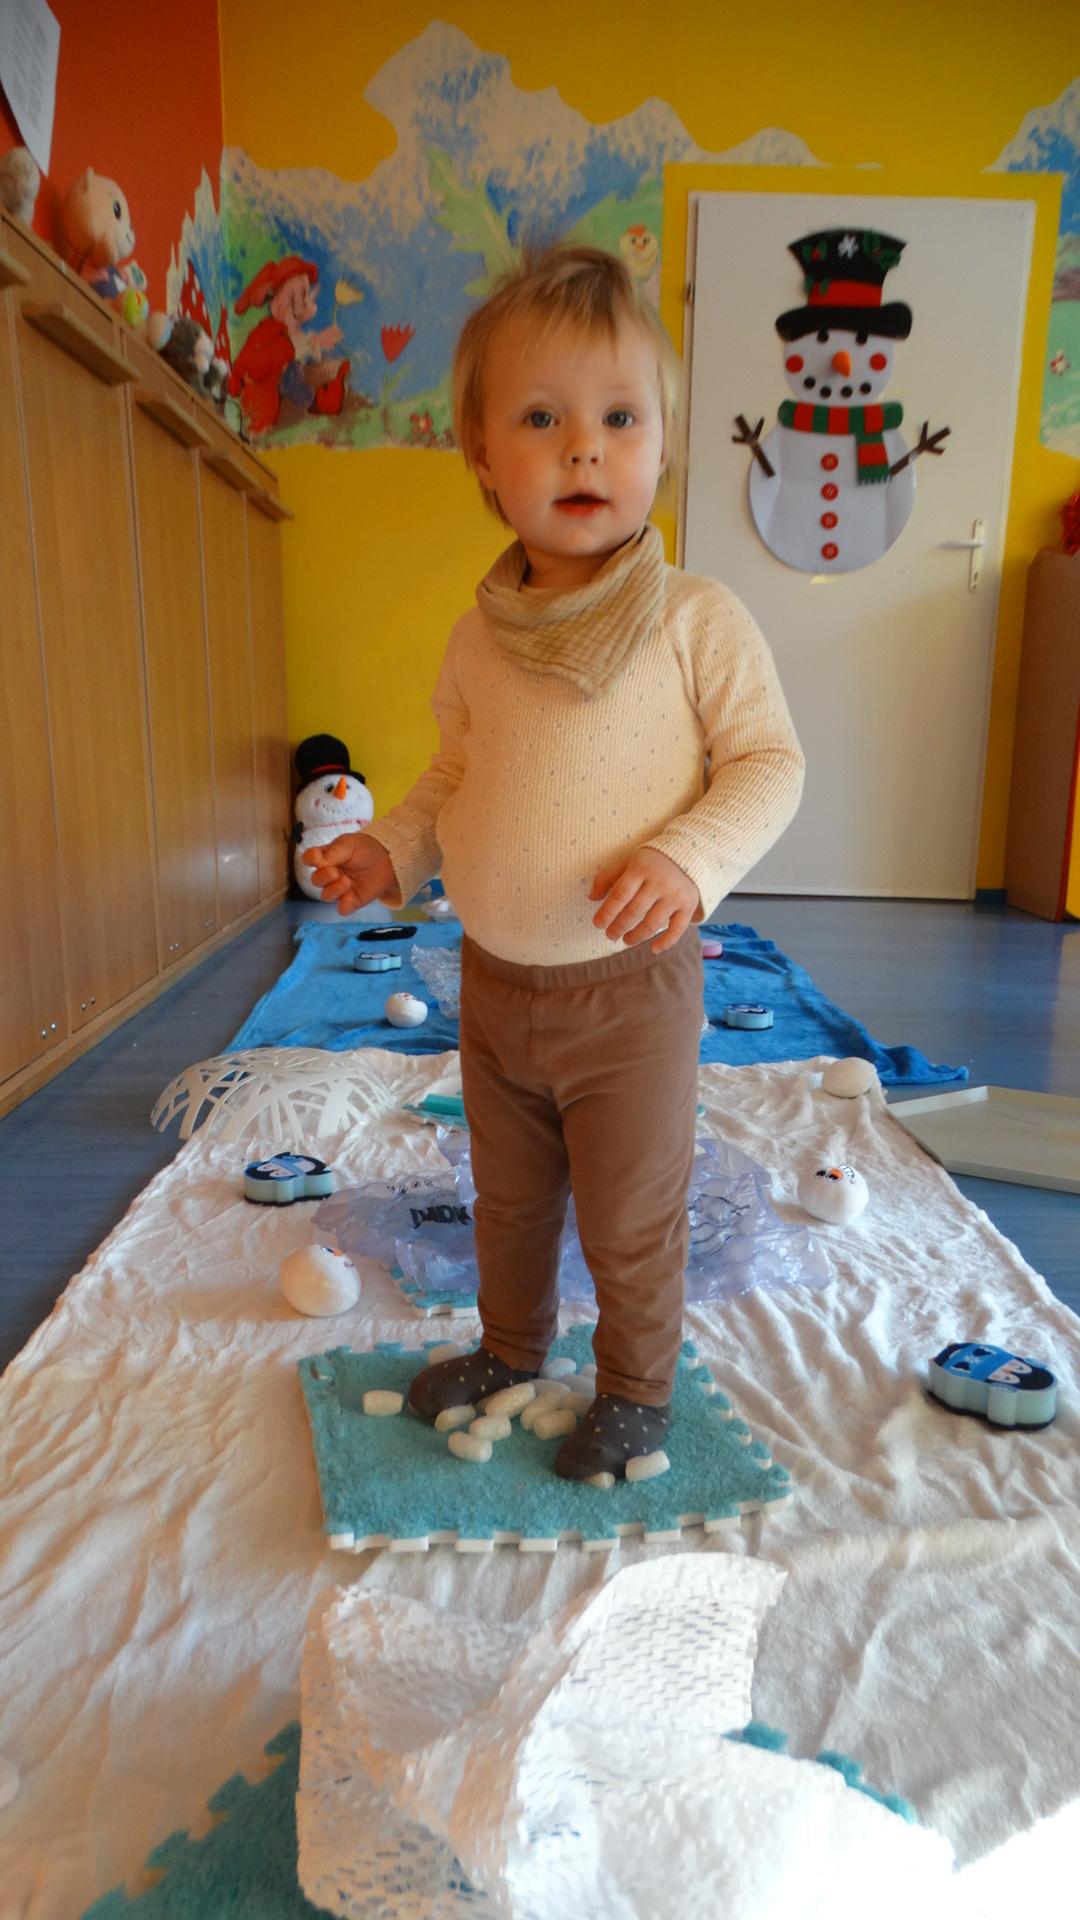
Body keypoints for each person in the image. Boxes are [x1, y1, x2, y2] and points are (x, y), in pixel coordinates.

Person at [304, 244, 804, 1480]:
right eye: (542, 418)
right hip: (494, 986)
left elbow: (768, 763)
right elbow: (452, 777)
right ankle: (510, 1348)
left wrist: (688, 858)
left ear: (662, 446)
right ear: (483, 456)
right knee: (511, 1202)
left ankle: (635, 1389)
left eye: (620, 418)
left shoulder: (693, 617)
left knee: (630, 1214)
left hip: (628, 994)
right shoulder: (479, 638)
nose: (585, 448)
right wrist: (390, 848)